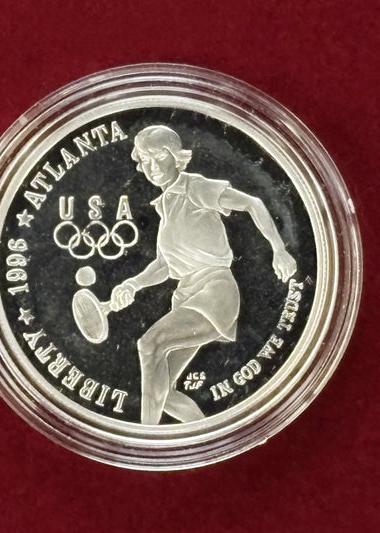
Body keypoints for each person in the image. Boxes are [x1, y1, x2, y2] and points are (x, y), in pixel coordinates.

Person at [111, 125, 296, 425]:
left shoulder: (194, 187)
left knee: (149, 344)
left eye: (159, 157)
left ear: (176, 157)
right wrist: (132, 284)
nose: (153, 166)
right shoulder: (166, 205)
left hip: (214, 292)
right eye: (145, 160)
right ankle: (204, 431)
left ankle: (147, 440)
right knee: (163, 392)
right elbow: (164, 266)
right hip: (186, 297)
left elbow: (252, 203)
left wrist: (279, 249)